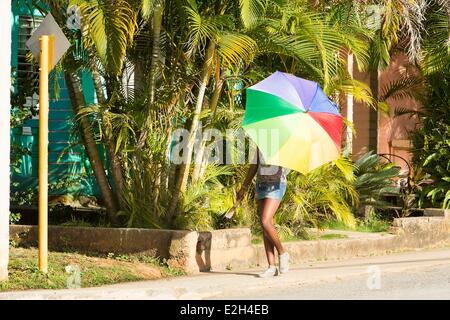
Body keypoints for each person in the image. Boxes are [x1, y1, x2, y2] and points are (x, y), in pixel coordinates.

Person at [232, 148, 290, 278]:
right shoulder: (262, 141)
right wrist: (244, 187)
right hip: (261, 185)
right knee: (265, 226)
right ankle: (271, 267)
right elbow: (254, 165)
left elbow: (289, 163)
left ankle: (282, 253)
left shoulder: (284, 141)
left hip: (276, 184)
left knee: (265, 220)